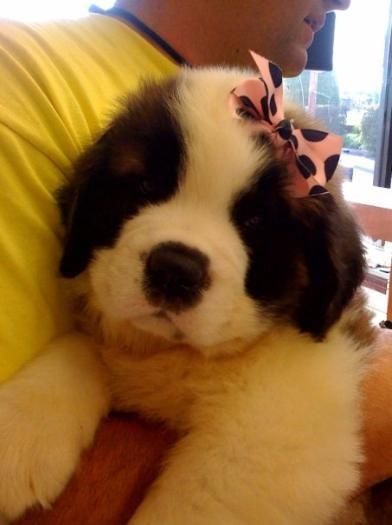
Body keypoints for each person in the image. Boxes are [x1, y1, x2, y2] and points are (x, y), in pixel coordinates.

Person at [0, 1, 390, 523]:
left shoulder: (290, 360)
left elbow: (282, 449)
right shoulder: (27, 75)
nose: (341, 1)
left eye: (253, 224)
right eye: (145, 189)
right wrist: (71, 376)